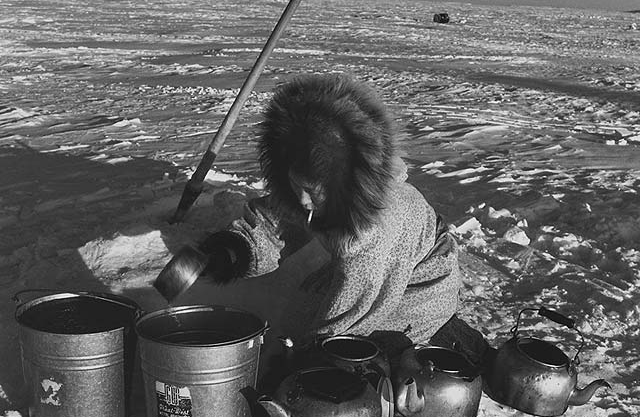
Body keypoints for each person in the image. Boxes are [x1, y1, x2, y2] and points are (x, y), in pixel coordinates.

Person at [156, 73, 491, 368]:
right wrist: (232, 252)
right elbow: (279, 221)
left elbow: (358, 311)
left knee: (355, 355)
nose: (302, 199)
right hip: (370, 274)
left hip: (417, 289)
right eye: (296, 185)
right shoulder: (322, 190)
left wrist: (304, 358)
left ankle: (444, 332)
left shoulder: (374, 230)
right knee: (301, 314)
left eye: (311, 191)